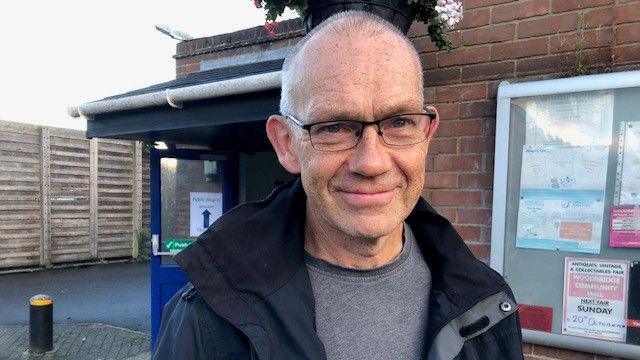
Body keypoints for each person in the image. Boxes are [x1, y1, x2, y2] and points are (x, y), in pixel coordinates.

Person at [153, 10, 523, 360]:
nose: (371, 162)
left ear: (426, 135)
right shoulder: (207, 322)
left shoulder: (489, 306)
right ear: (286, 144)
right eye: (334, 127)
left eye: (399, 123)